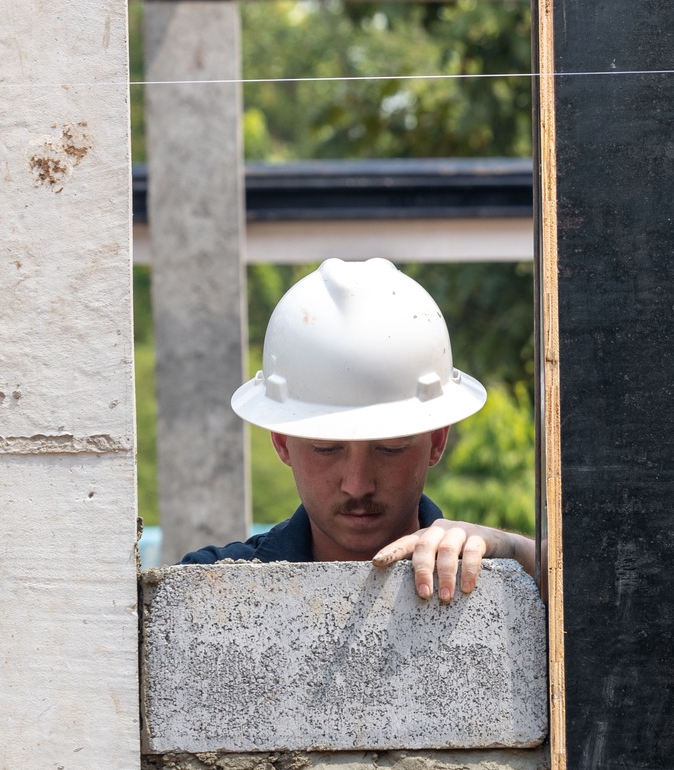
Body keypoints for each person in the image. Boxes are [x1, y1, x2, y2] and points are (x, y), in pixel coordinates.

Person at [181, 257, 537, 604]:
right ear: (282, 442)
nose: (357, 483)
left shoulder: (496, 574)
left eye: (391, 447)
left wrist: (518, 553)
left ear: (437, 441)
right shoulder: (213, 588)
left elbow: (586, 593)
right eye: (326, 448)